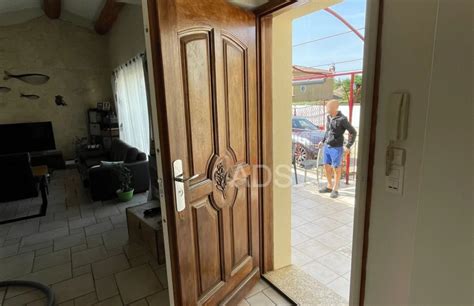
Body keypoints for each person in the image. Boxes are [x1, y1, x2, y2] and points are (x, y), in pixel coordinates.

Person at [318, 100, 357, 198]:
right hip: (327, 146)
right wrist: (322, 141)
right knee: (326, 167)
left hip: (336, 147)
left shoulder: (342, 119)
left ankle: (335, 189)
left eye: (328, 107)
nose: (326, 109)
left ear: (335, 108)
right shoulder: (328, 117)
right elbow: (328, 131)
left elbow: (353, 132)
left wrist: (348, 145)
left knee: (336, 168)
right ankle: (329, 186)